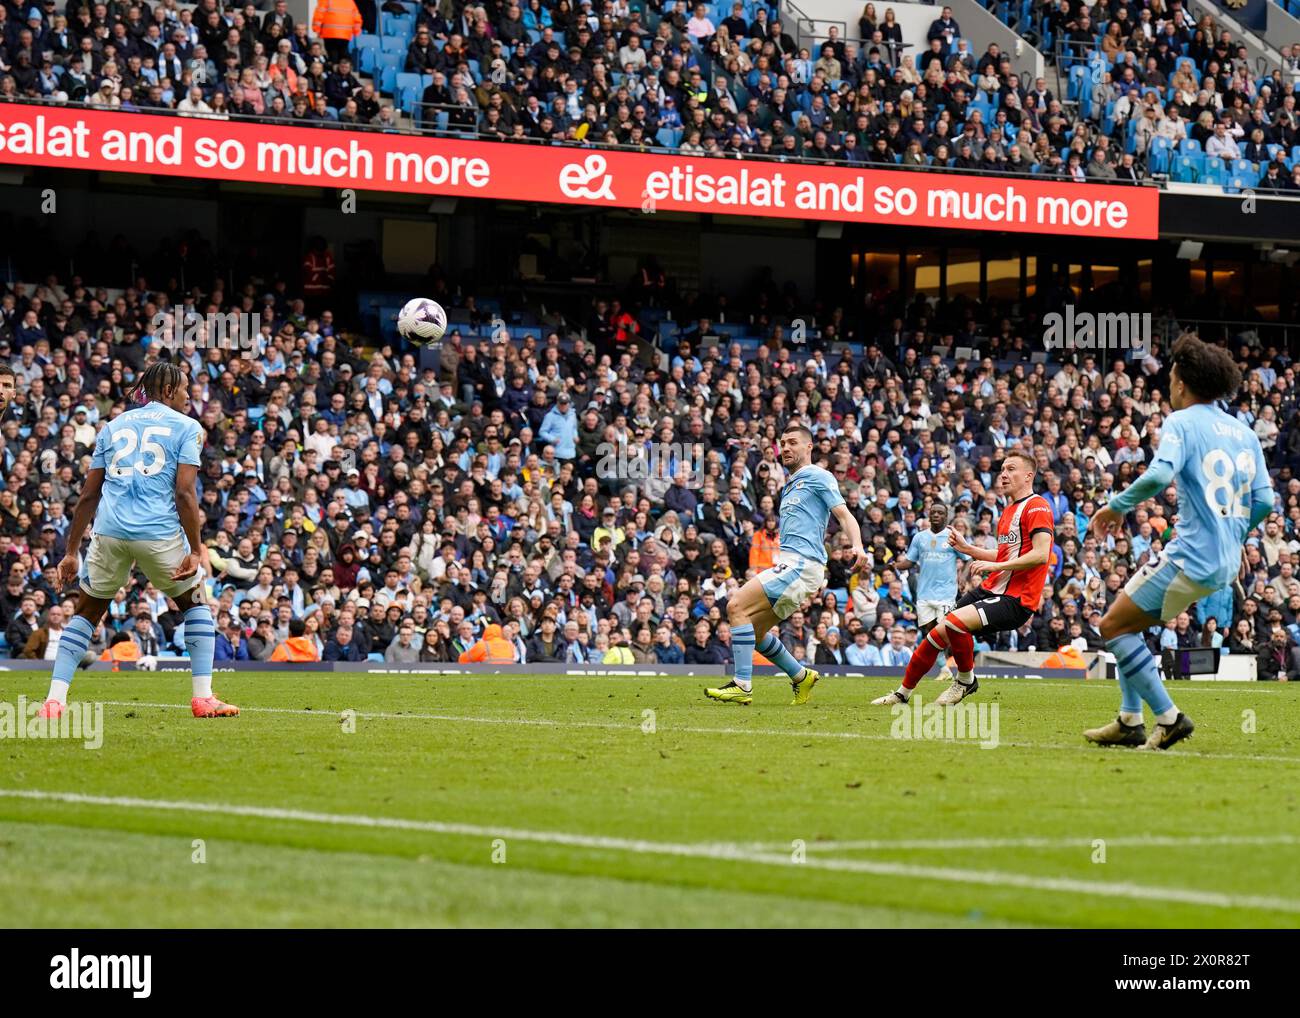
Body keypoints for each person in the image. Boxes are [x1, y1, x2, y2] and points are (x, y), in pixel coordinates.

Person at [1084, 335, 1273, 750]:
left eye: (1170, 377)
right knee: (1128, 623)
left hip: (1191, 556)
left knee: (1112, 625)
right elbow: (1266, 500)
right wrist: (1237, 535)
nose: (1169, 385)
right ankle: (1129, 720)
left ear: (1182, 383)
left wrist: (1117, 505)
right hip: (1222, 560)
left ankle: (1167, 718)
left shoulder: (1182, 422)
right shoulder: (1244, 432)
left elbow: (1157, 476)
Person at [41, 362, 237, 719]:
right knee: (195, 604)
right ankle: (203, 697)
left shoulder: (112, 426)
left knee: (87, 611)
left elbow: (87, 496)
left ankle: (54, 701)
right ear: (166, 391)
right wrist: (195, 549)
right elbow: (184, 493)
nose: (188, 395)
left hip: (109, 532)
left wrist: (71, 552)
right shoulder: (187, 427)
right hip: (157, 532)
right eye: (184, 389)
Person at [874, 450, 1055, 707]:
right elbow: (1006, 553)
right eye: (1002, 469)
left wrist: (995, 564)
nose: (1003, 474)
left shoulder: (1037, 506)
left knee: (956, 622)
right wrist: (969, 549)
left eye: (1011, 469)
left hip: (1017, 599)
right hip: (992, 589)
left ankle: (965, 681)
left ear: (1029, 476)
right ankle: (902, 694)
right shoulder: (1009, 510)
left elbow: (1040, 555)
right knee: (937, 634)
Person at [705, 423, 866, 705]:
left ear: (809, 447)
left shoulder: (818, 475)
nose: (786, 448)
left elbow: (843, 513)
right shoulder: (789, 483)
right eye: (783, 443)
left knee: (735, 605)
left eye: (793, 442)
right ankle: (800, 675)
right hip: (795, 565)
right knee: (753, 632)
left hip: (802, 565)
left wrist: (858, 545)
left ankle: (742, 685)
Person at [891, 503, 969, 683]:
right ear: (928, 514)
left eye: (940, 513)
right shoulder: (919, 537)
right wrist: (895, 565)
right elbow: (910, 561)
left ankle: (958, 667)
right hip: (924, 593)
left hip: (946, 593)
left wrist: (963, 577)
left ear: (946, 516)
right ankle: (944, 669)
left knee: (945, 632)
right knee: (930, 633)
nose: (936, 515)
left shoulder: (952, 537)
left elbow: (968, 557)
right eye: (933, 512)